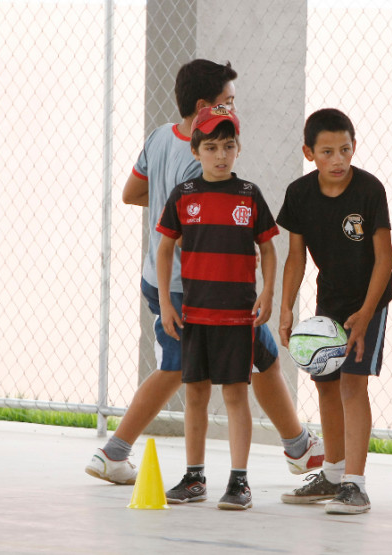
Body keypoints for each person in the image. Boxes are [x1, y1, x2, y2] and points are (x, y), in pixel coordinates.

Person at [84, 59, 322, 487]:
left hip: (160, 278)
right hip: (195, 285)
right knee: (179, 366)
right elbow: (211, 224)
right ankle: (114, 450)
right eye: (227, 102)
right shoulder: (206, 168)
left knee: (261, 356)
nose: (232, 113)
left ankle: (298, 446)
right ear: (202, 109)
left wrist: (169, 213)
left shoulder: (159, 137)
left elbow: (132, 192)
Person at [154, 105, 277, 509]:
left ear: (238, 149)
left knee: (236, 395)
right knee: (194, 395)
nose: (220, 155)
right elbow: (166, 247)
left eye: (228, 145)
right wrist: (165, 305)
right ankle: (194, 478)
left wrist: (268, 292)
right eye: (211, 147)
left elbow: (268, 248)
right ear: (196, 152)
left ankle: (239, 483)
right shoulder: (185, 196)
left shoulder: (249, 195)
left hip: (237, 315)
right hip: (196, 314)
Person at [277, 108, 392, 515]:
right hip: (329, 302)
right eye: (327, 152)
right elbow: (295, 258)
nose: (338, 159)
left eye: (345, 149)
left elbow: (385, 259)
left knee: (352, 386)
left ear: (354, 147)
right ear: (310, 153)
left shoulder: (369, 190)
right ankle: (332, 472)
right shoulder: (299, 194)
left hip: (369, 302)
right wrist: (286, 307)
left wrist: (365, 312)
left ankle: (355, 484)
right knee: (325, 385)